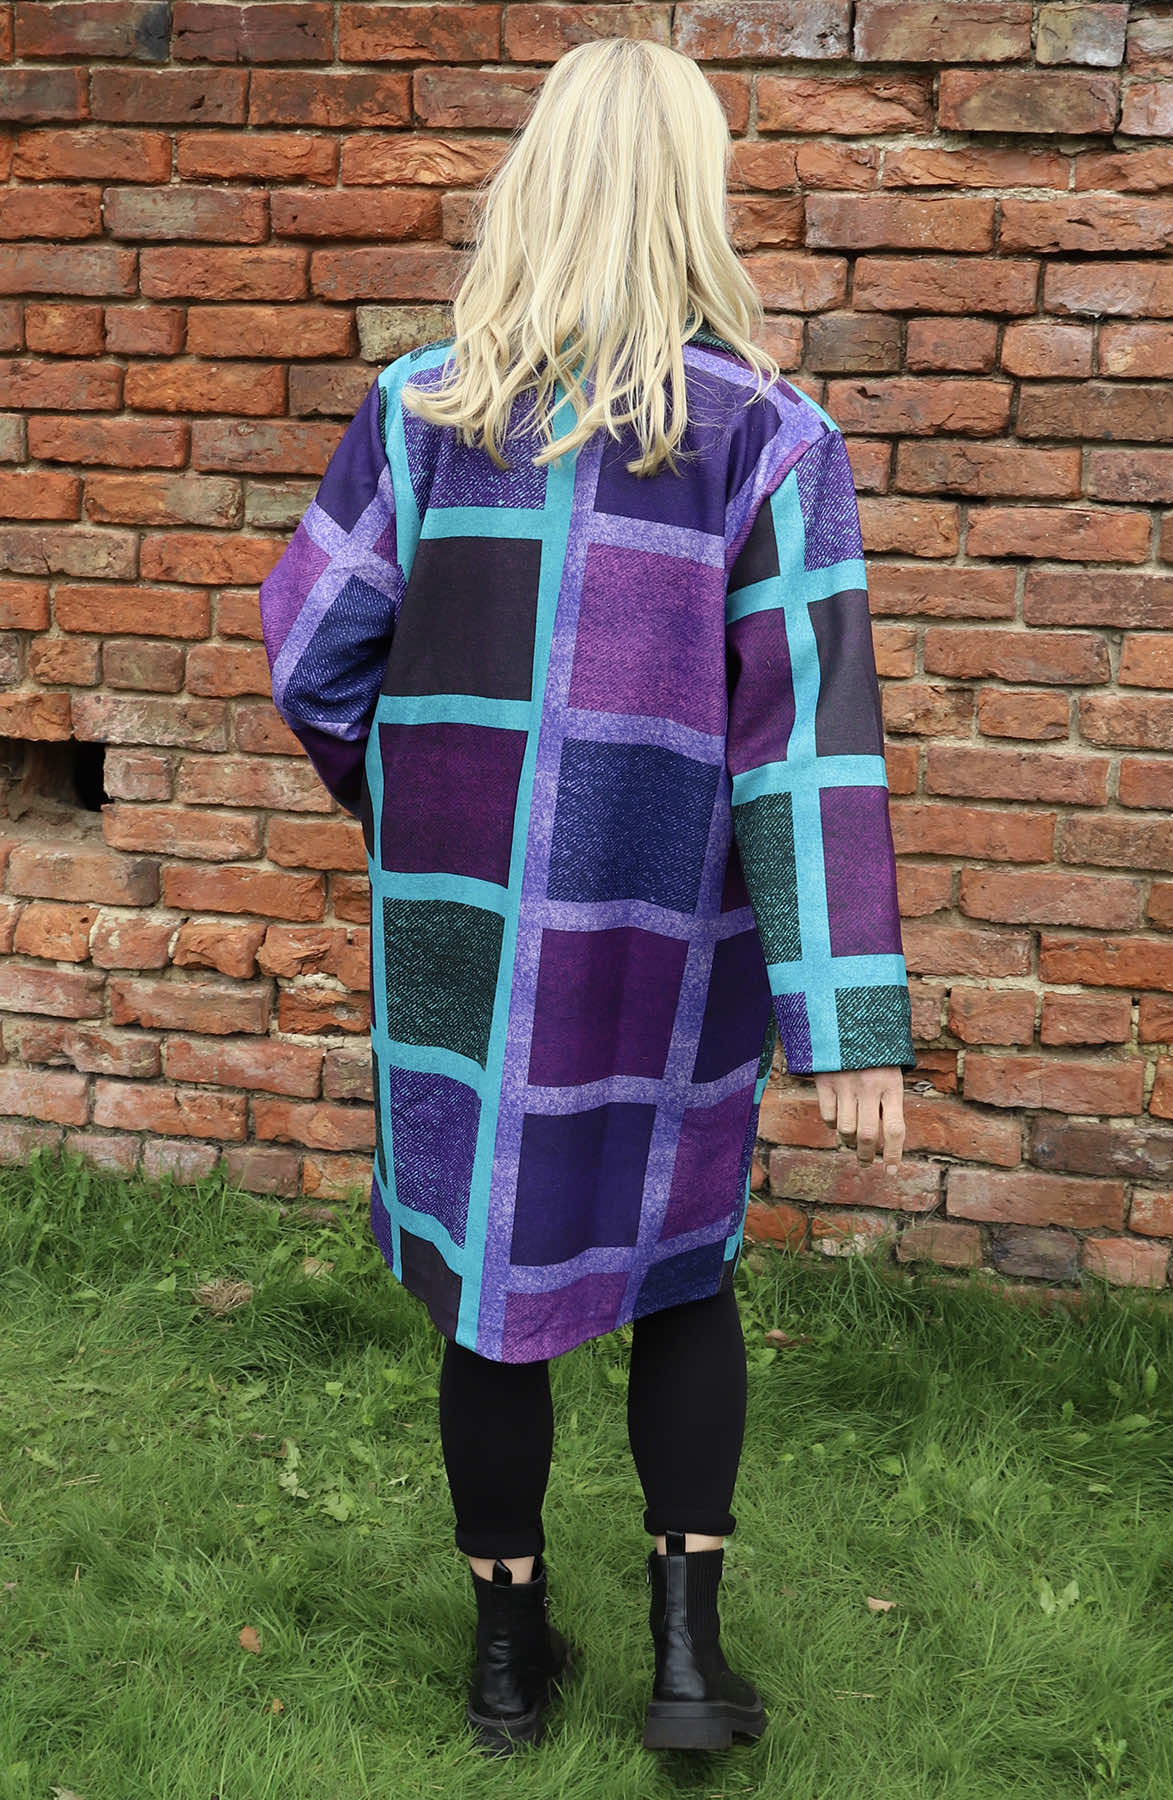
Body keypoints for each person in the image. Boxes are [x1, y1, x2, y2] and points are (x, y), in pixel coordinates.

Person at [258, 35, 914, 1759]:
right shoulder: (771, 437)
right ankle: (686, 1671)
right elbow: (808, 741)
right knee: (680, 1269)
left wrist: (420, 810)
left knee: (492, 1274)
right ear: (697, 198)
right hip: (669, 936)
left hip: (464, 932)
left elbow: (313, 656)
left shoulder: (421, 413)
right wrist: (847, 1018)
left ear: (533, 187)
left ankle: (506, 1666)